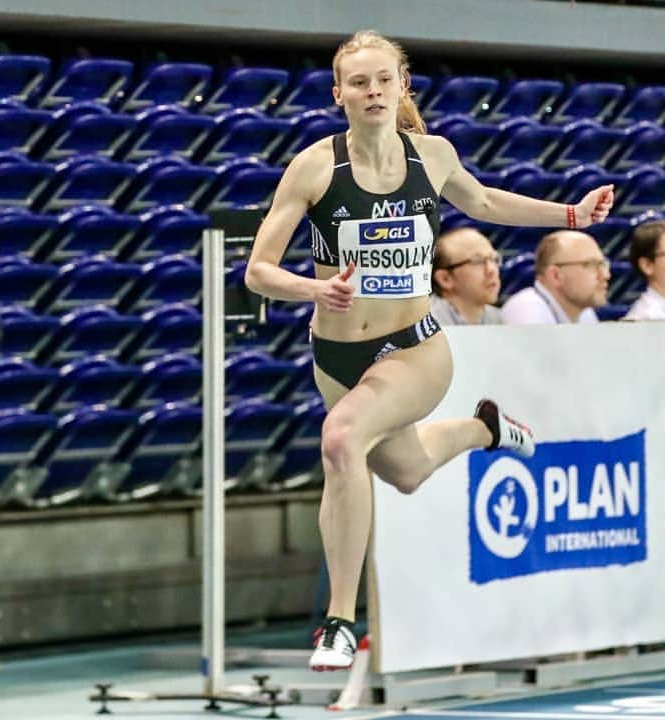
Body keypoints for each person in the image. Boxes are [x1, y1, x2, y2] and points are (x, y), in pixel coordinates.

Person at [243, 30, 613, 671]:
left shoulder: (433, 157)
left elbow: (488, 201)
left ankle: (337, 621)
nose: (373, 91)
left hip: (415, 349)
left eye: (384, 79)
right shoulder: (313, 167)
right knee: (407, 471)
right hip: (336, 357)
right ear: (339, 95)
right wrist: (315, 288)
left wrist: (572, 217)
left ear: (401, 87)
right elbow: (256, 272)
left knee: (339, 441)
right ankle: (483, 429)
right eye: (358, 82)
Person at [500, 230, 609, 324]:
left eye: (603, 264)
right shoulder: (527, 311)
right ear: (555, 276)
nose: (605, 275)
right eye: (591, 265)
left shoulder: (585, 313)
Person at [429, 226, 503, 325]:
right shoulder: (424, 324)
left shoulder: (497, 319)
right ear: (445, 279)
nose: (492, 270)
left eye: (494, 259)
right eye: (478, 261)